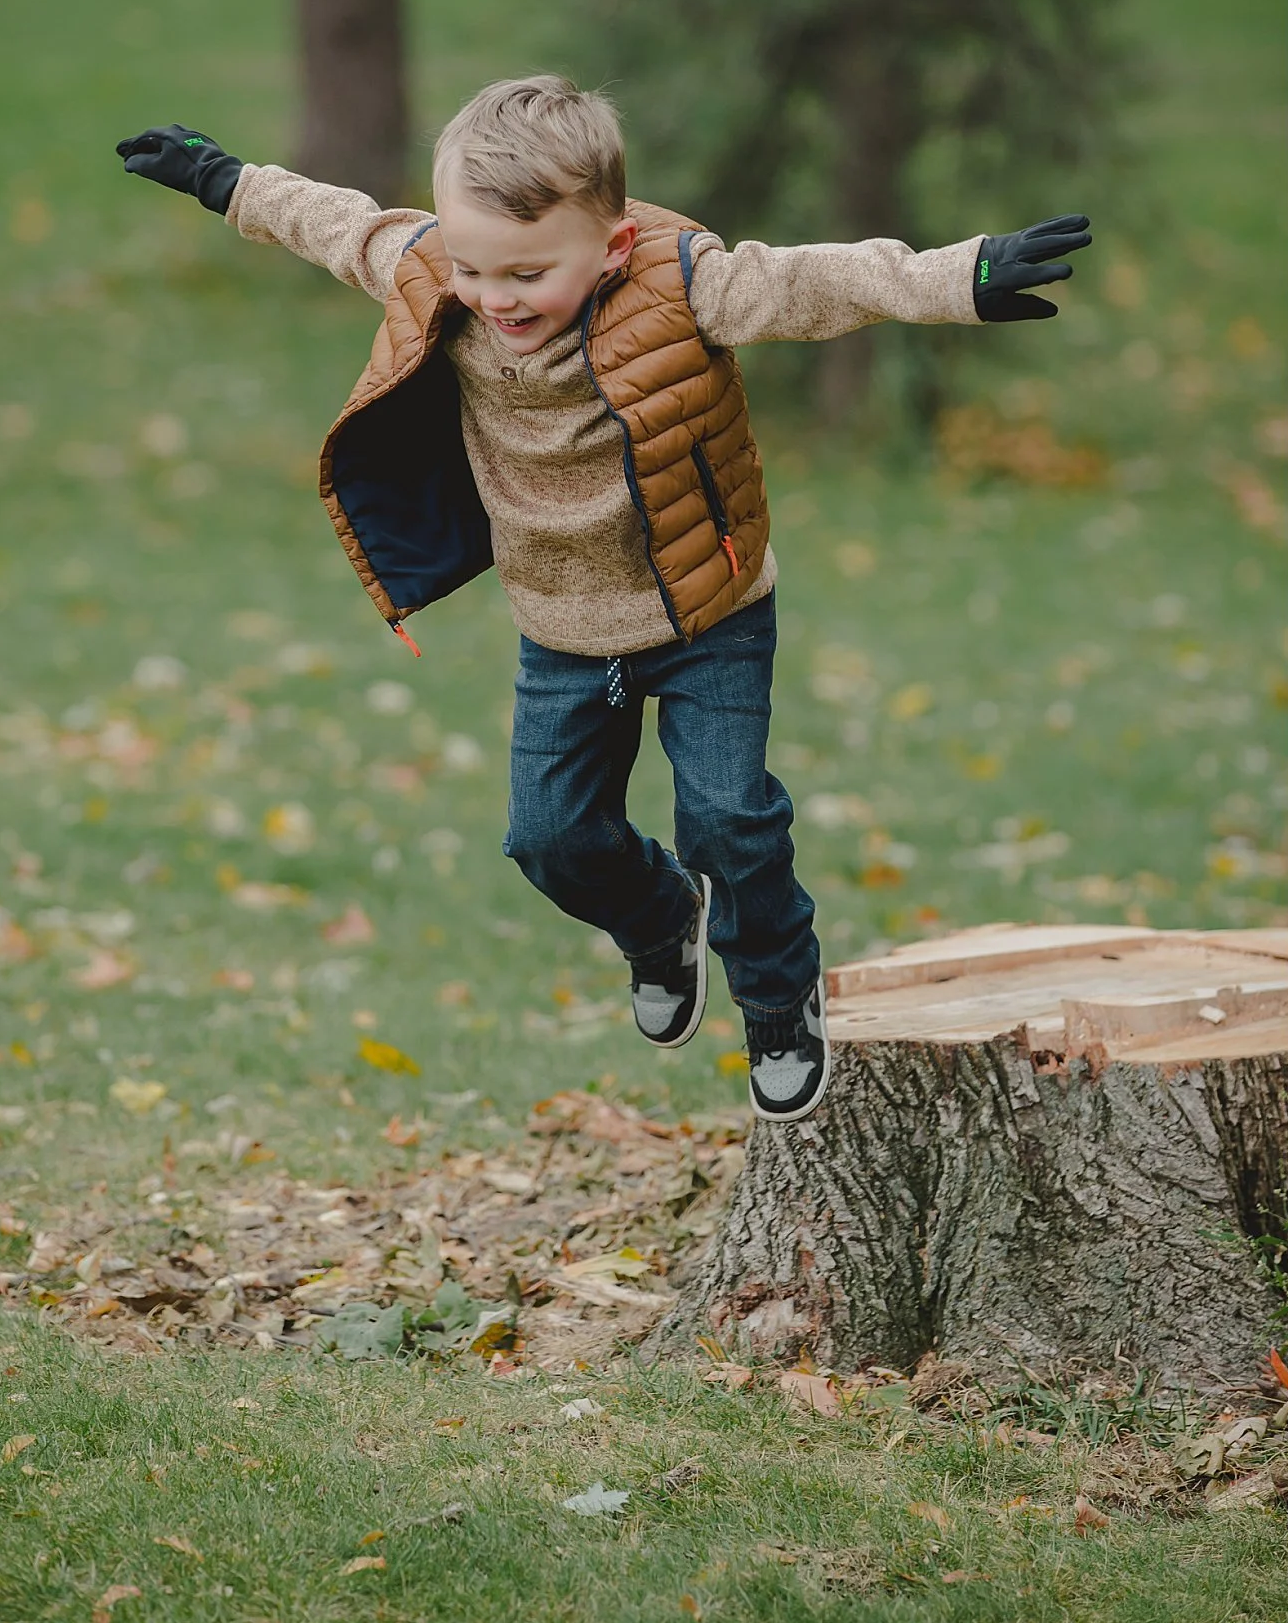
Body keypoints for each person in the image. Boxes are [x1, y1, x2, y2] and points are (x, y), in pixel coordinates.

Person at [116, 79, 1089, 1127]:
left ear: (612, 245)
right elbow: (337, 223)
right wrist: (222, 180)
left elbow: (815, 283)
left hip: (707, 612)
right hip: (561, 632)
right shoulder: (441, 273)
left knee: (729, 818)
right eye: (478, 267)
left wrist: (962, 278)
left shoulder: (683, 285)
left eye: (530, 272)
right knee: (548, 841)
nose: (498, 296)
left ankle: (776, 997)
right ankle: (658, 917)